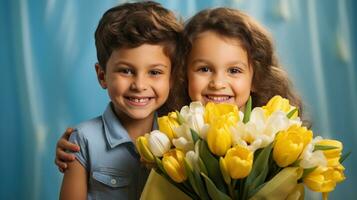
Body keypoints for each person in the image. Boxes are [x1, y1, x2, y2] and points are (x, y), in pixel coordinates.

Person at [56, 7, 305, 174]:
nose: (218, 83)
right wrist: (82, 147)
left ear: (256, 77)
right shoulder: (171, 134)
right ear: (181, 75)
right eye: (204, 69)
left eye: (234, 71)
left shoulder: (275, 136)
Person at [59, 1, 183, 200]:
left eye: (154, 72)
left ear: (172, 78)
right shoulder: (82, 141)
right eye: (126, 71)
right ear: (102, 76)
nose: (139, 85)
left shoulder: (182, 138)